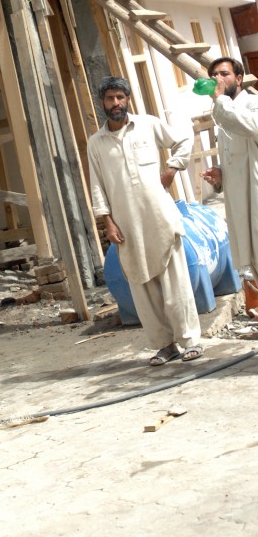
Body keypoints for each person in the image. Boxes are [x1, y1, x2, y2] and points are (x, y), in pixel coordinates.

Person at [88, 76, 203, 365]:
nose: (116, 103)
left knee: (176, 285)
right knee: (143, 289)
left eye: (120, 97)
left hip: (161, 218)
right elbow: (96, 185)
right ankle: (165, 346)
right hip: (127, 227)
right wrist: (107, 222)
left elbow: (184, 140)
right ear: (102, 103)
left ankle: (190, 340)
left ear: (128, 99)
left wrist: (172, 169)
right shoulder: (96, 143)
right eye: (110, 98)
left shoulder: (149, 125)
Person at [201, 57, 258, 280]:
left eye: (224, 74)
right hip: (239, 206)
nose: (218, 79)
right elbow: (235, 159)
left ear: (239, 78)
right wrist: (220, 176)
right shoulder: (221, 112)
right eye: (214, 75)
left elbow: (251, 126)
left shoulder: (253, 105)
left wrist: (220, 100)